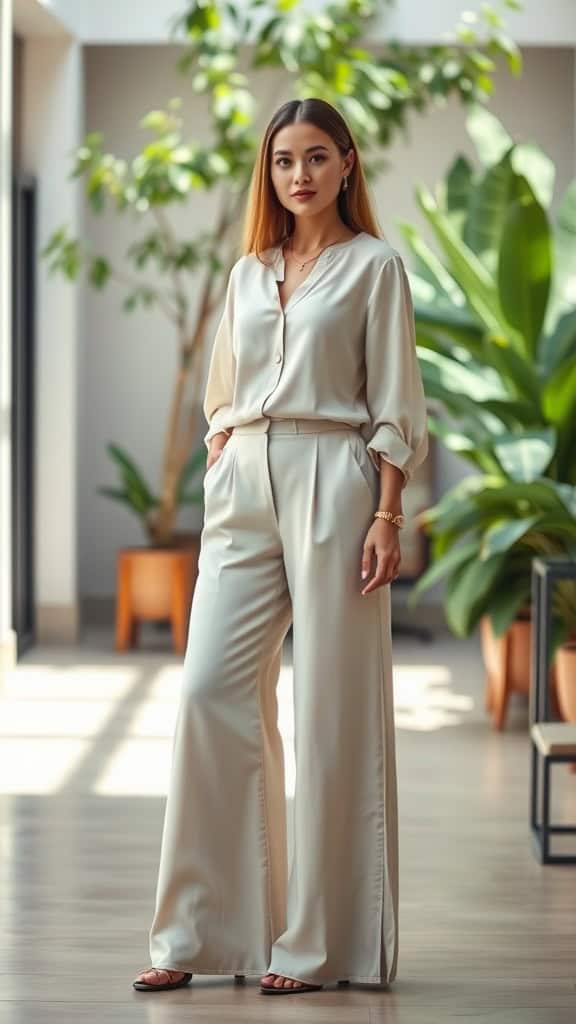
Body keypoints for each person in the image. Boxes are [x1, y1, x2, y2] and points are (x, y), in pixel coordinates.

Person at [132, 96, 428, 998]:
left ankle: (320, 946)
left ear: (346, 164)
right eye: (282, 160)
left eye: (314, 158)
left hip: (336, 480)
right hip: (246, 482)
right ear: (270, 172)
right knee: (207, 695)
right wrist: (226, 443)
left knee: (334, 716)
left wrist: (386, 515)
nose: (297, 175)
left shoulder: (376, 268)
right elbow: (222, 386)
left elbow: (396, 404)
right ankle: (200, 932)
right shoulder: (246, 272)